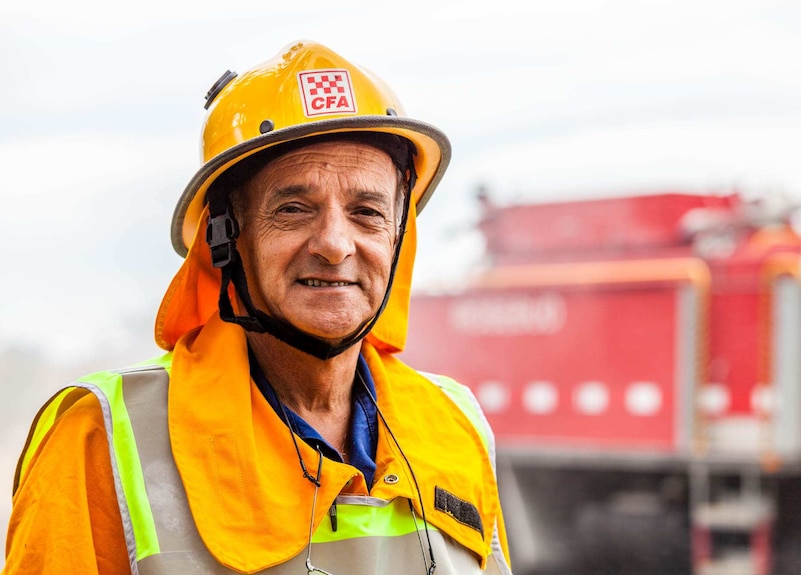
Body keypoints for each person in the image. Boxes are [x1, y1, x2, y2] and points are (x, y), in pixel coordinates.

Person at [3, 41, 512, 574]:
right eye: (293, 209)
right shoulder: (100, 439)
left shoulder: (456, 424)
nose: (336, 244)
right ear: (226, 238)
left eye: (367, 212)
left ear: (399, 237)